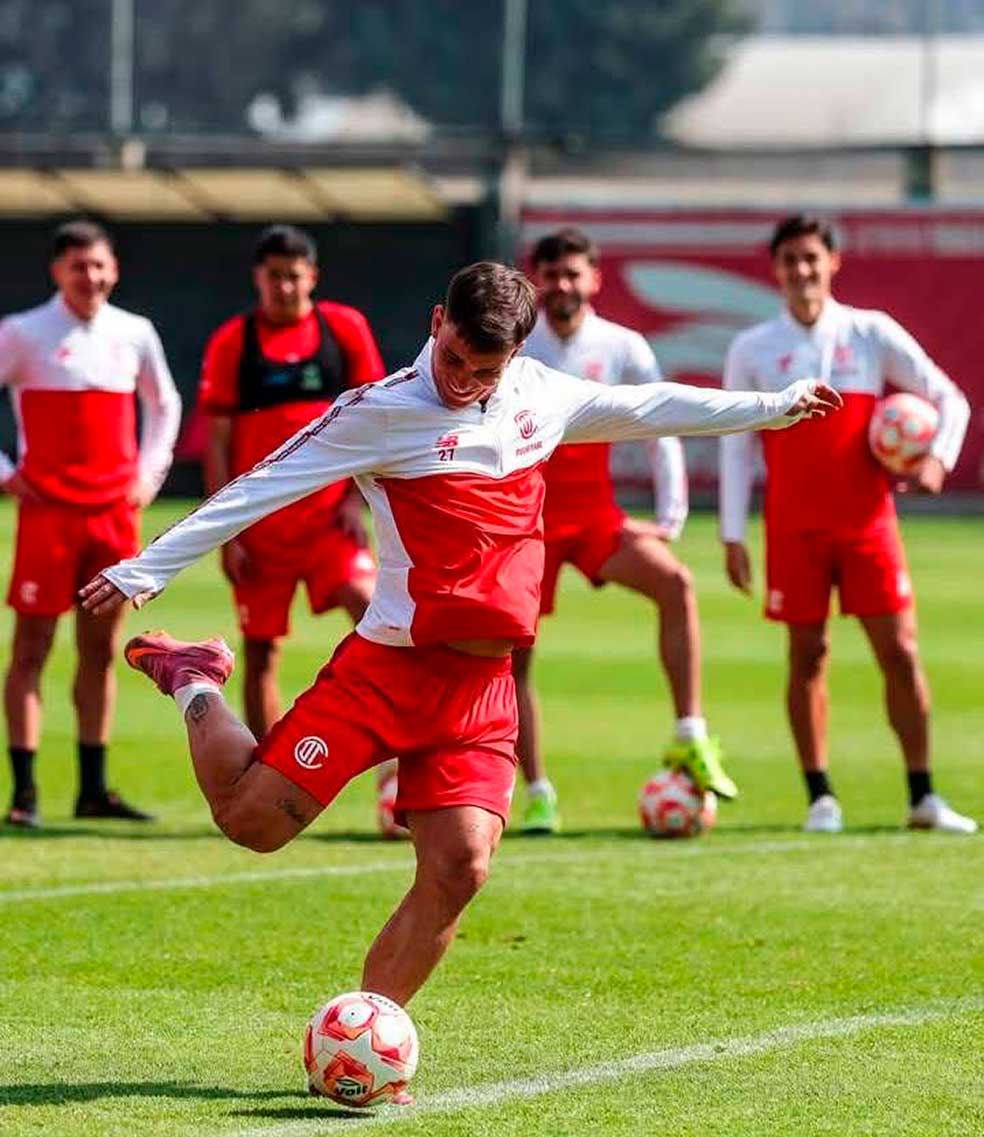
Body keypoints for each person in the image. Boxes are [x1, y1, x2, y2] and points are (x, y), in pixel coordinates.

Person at [81, 262, 838, 1018]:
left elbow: (649, 405)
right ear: (437, 321)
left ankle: (364, 1042)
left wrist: (776, 405)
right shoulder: (378, 412)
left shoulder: (539, 395)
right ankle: (193, 676)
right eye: (454, 359)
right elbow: (258, 485)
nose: (463, 381)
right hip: (388, 672)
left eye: (485, 369)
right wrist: (145, 570)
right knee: (250, 824)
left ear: (513, 357)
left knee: (461, 866)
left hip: (481, 694)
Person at [720, 213, 973, 835]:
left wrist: (938, 457)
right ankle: (820, 798)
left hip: (867, 524)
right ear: (775, 270)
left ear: (833, 263)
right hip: (793, 526)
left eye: (812, 258)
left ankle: (923, 795)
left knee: (902, 652)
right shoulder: (752, 349)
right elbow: (734, 445)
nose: (802, 270)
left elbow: (949, 399)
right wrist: (731, 532)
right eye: (790, 261)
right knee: (807, 655)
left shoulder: (869, 333)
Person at [514, 227, 732, 835]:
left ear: (594, 278)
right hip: (526, 521)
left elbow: (662, 422)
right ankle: (536, 792)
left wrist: (670, 518)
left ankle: (690, 733)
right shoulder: (517, 345)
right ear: (537, 281)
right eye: (551, 273)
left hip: (594, 516)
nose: (563, 284)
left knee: (675, 584)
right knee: (514, 660)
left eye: (573, 272)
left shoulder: (622, 346)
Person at [197, 224, 399, 834]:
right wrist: (225, 527)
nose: (284, 286)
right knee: (261, 651)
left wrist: (356, 499)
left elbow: (377, 411)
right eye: (273, 275)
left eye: (294, 274)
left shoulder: (343, 330)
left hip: (328, 517)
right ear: (259, 279)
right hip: (260, 523)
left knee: (374, 612)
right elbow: (220, 437)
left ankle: (397, 770)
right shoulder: (236, 340)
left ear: (313, 276)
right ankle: (272, 776)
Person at [0, 220, 181, 828]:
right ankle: (24, 793)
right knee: (31, 649)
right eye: (79, 266)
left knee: (100, 652)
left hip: (111, 517)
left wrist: (147, 478)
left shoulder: (135, 332)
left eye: (100, 266)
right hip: (47, 516)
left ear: (115, 269)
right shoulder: (23, 332)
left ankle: (93, 788)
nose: (91, 277)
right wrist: (5, 473)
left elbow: (166, 404)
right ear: (58, 271)